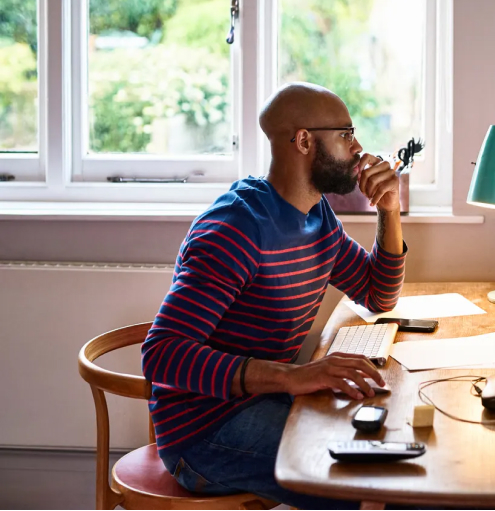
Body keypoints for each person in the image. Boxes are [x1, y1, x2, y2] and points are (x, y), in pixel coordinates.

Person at [140, 82, 407, 509]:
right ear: (303, 140)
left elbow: (378, 293)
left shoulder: (315, 215)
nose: (358, 147)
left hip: (264, 403)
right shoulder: (236, 229)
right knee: (365, 480)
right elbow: (161, 355)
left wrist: (389, 209)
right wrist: (293, 376)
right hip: (204, 433)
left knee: (393, 448)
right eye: (345, 134)